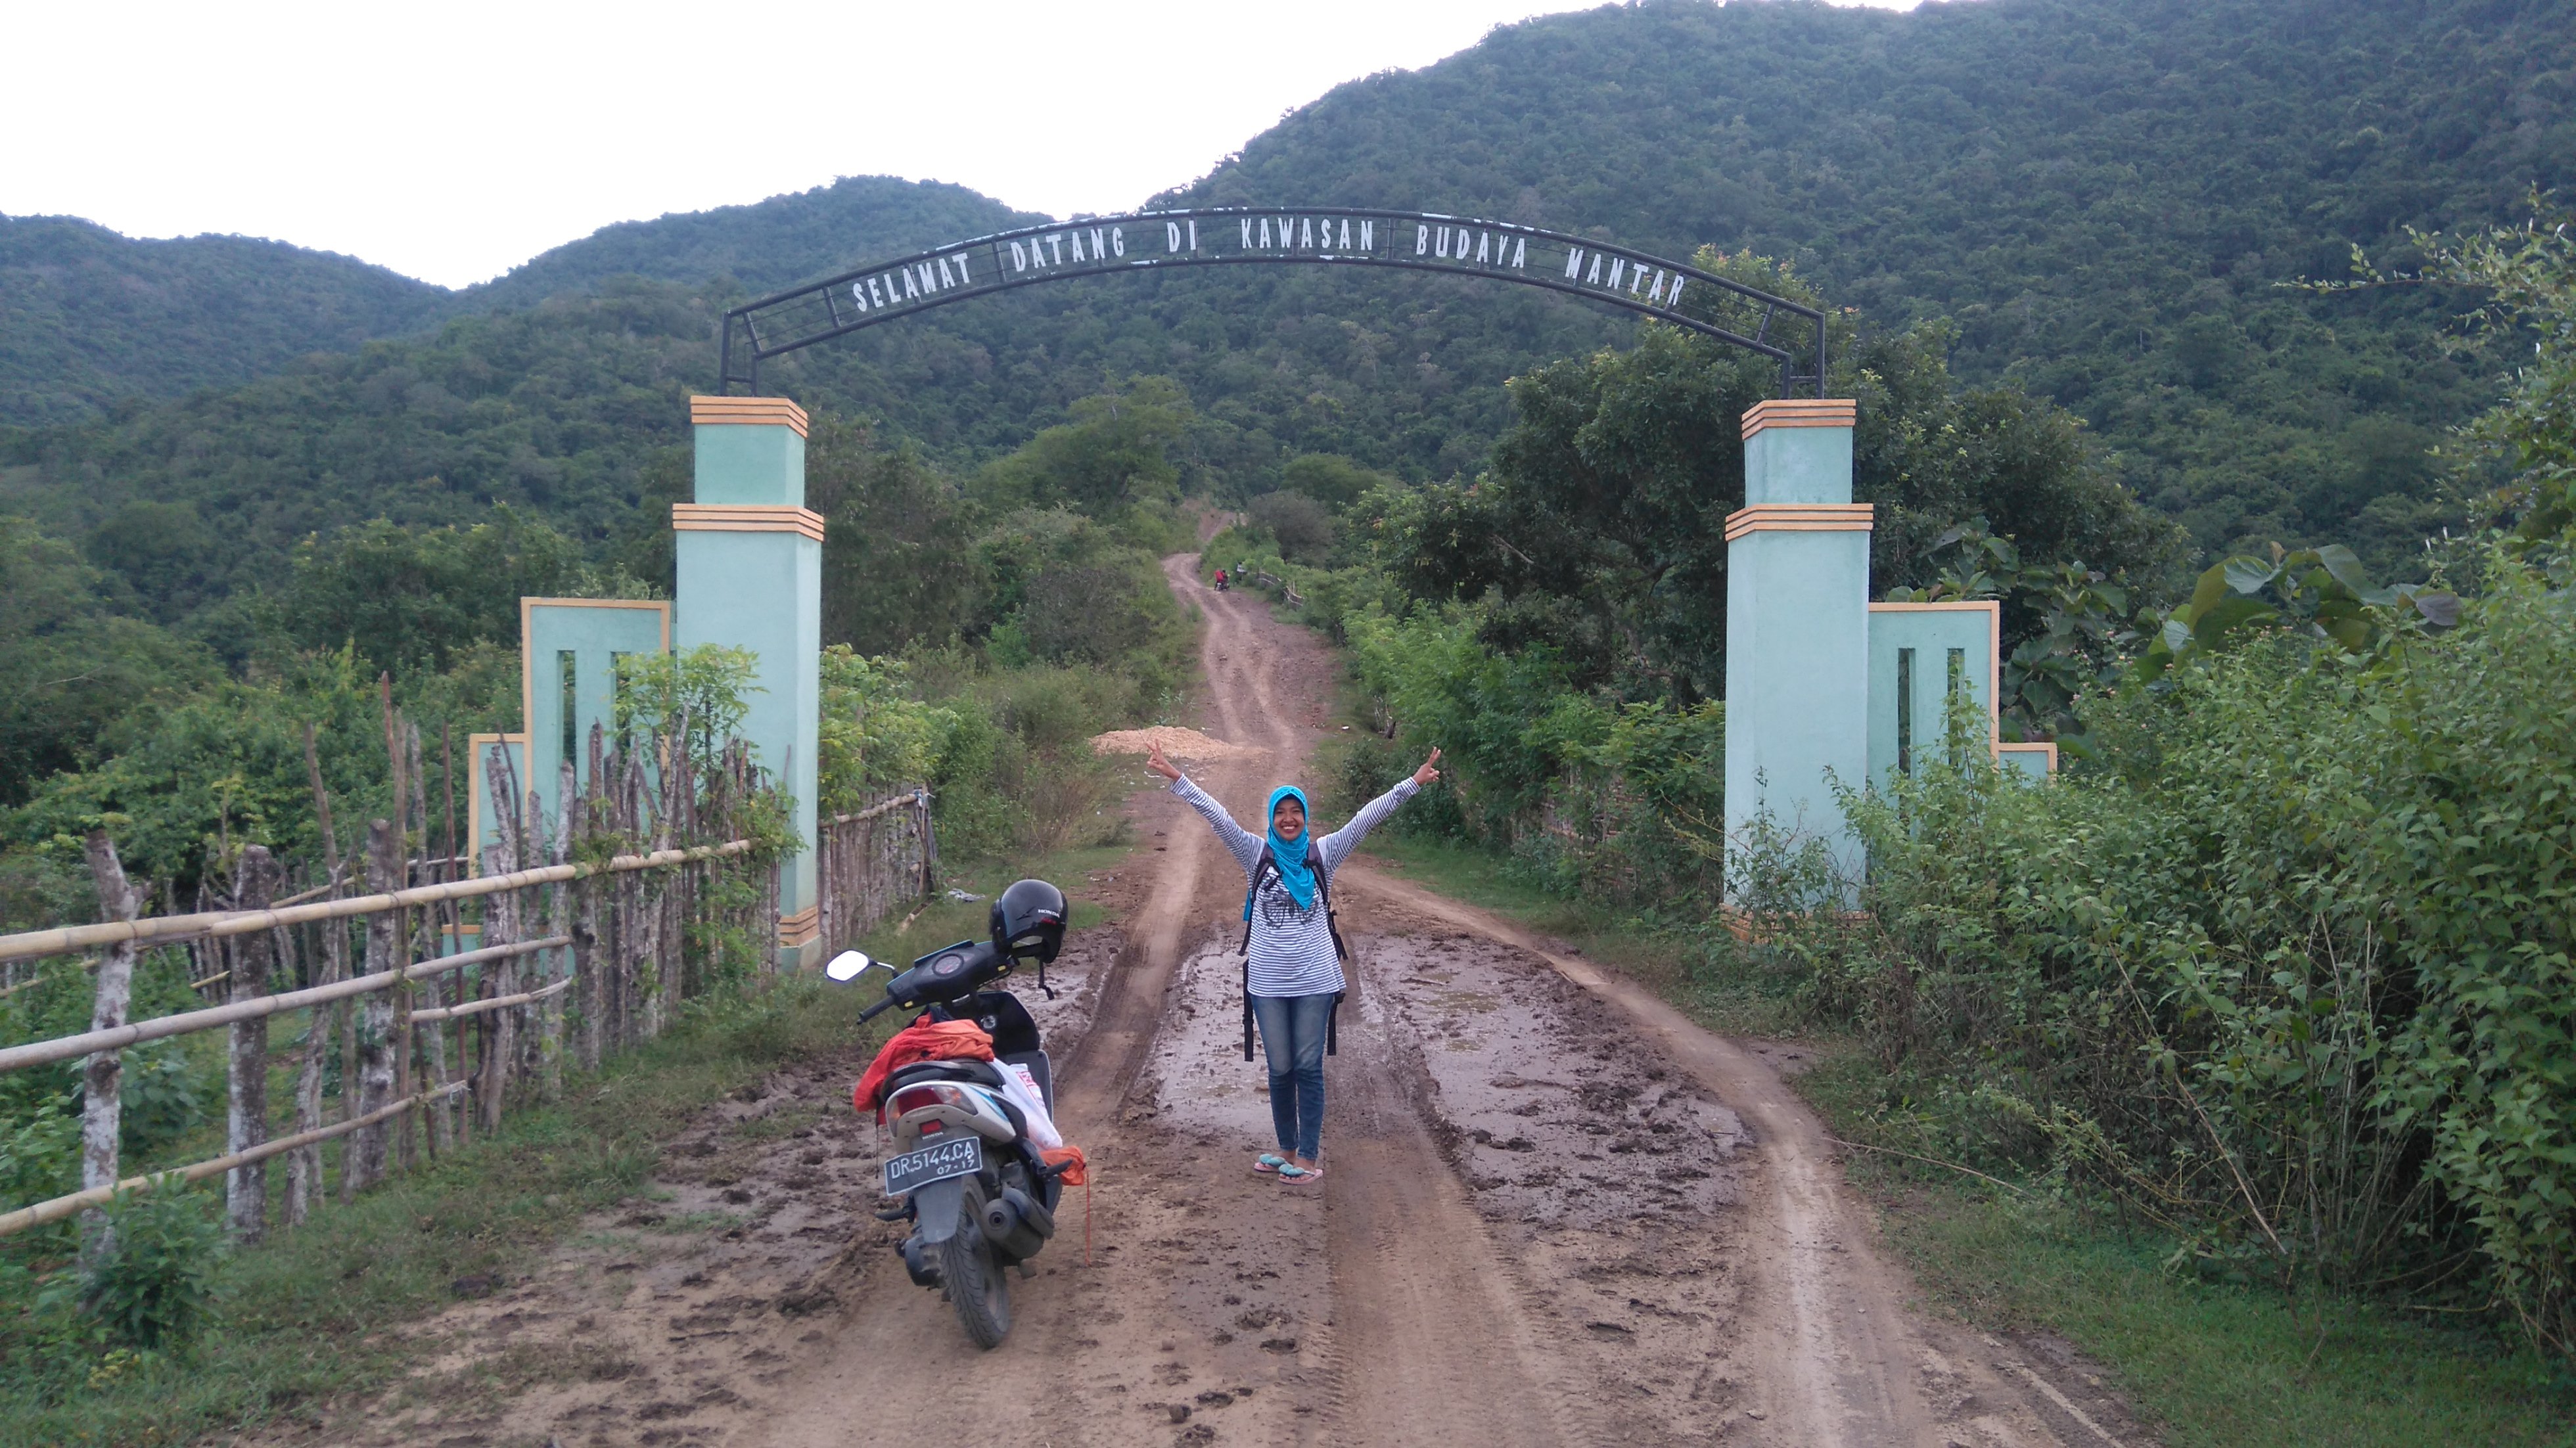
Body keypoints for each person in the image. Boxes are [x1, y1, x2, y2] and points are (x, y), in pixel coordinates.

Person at [1144, 738, 1442, 1185]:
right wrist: (1177, 778)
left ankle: (1308, 1156)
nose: (1288, 820)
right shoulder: (1255, 854)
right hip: (1266, 981)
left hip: (1316, 979)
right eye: (1280, 813)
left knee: (1307, 1066)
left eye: (1295, 813)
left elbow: (1366, 818)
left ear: (1305, 818)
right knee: (1280, 1068)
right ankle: (1285, 1149)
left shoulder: (1325, 854)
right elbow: (1218, 817)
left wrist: (1413, 783)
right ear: (1272, 819)